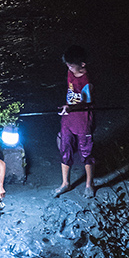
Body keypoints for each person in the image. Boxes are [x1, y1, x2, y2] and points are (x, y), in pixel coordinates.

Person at [54, 44, 95, 197]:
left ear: (83, 64)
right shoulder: (70, 71)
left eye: (71, 65)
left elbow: (85, 101)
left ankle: (89, 184)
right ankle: (65, 183)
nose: (68, 67)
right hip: (68, 117)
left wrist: (71, 107)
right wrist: (68, 109)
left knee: (86, 151)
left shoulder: (87, 81)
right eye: (67, 64)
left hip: (83, 119)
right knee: (65, 147)